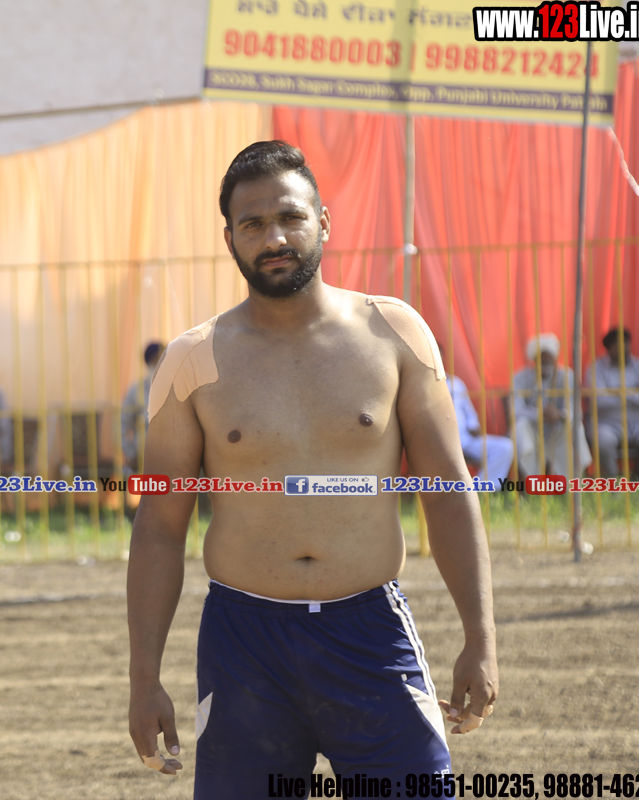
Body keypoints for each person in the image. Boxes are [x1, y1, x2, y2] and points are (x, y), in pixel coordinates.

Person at [127, 141, 497, 794]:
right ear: (229, 239)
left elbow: (446, 493)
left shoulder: (393, 333)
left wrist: (480, 637)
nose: (274, 238)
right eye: (252, 224)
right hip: (244, 646)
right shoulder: (192, 361)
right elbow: (159, 525)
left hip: (370, 634)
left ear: (323, 221)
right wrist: (144, 679)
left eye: (290, 217)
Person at [586, 328, 639, 478]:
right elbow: (598, 401)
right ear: (609, 348)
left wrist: (616, 392)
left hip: (638, 422)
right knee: (603, 442)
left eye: (625, 343)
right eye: (617, 345)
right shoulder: (596, 369)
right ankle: (613, 478)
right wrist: (636, 391)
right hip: (606, 423)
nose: (622, 348)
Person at [511, 334, 591, 479]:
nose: (545, 360)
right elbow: (516, 411)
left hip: (558, 429)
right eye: (542, 356)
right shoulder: (520, 378)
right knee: (520, 427)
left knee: (577, 427)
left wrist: (559, 414)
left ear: (555, 358)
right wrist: (540, 414)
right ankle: (527, 481)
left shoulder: (567, 376)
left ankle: (576, 481)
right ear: (534, 359)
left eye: (549, 356)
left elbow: (575, 410)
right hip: (533, 429)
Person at [446, 372, 514, 483]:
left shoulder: (456, 383)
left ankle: (481, 487)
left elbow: (468, 411)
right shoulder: (426, 383)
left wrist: (473, 425)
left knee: (505, 447)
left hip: (466, 439)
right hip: (440, 443)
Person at [121, 341, 164, 473]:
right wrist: (131, 454)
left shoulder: (179, 388)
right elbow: (121, 424)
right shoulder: (136, 391)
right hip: (143, 453)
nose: (161, 362)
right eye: (157, 359)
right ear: (149, 362)